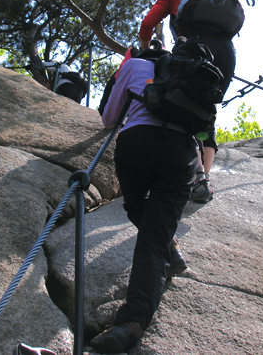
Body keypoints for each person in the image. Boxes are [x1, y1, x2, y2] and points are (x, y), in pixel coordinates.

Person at [89, 56, 198, 354]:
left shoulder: (134, 64)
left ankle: (169, 249)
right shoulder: (188, 66)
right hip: (182, 150)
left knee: (135, 204)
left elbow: (109, 118)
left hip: (136, 141)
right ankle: (132, 322)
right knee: (155, 237)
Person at [138, 0, 238, 204]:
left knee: (183, 109)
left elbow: (147, 24)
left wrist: (145, 48)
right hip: (225, 53)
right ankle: (205, 180)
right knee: (207, 112)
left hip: (193, 50)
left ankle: (196, 177)